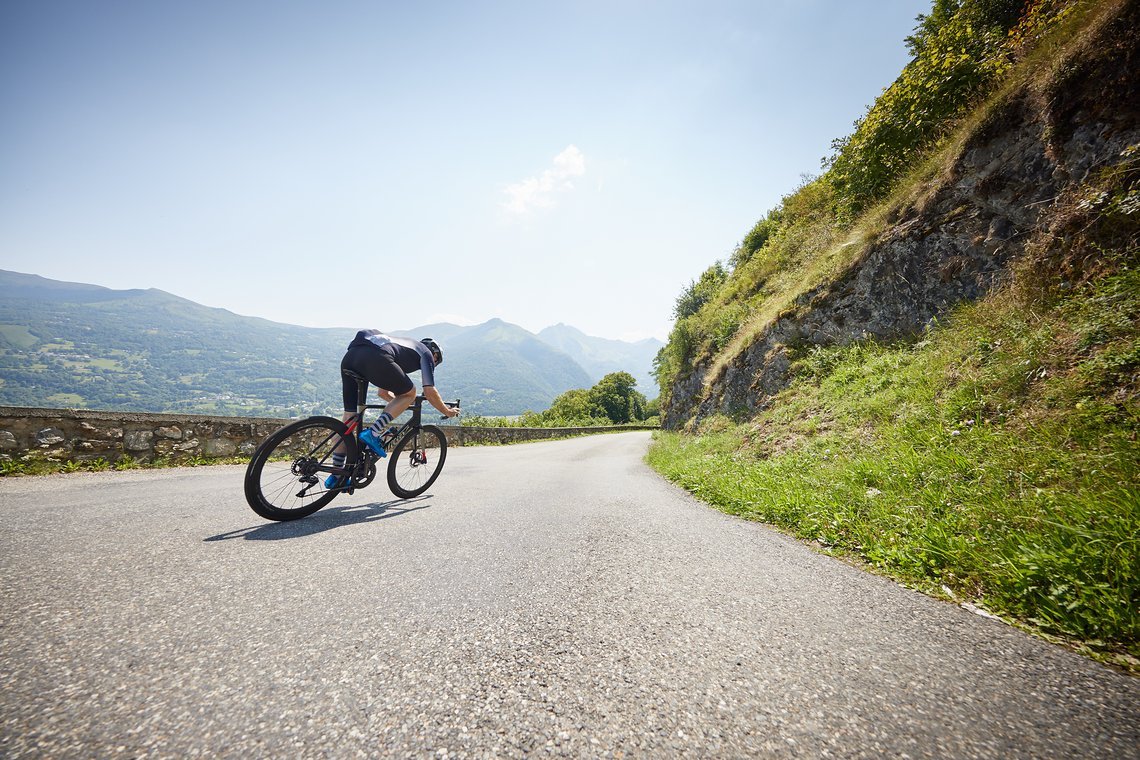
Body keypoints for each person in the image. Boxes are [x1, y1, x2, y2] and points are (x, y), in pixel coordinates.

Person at [326, 330, 458, 488]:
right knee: (411, 392)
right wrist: (448, 411)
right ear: (435, 354)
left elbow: (382, 393)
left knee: (349, 419)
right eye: (437, 361)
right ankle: (373, 433)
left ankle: (336, 476)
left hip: (351, 357)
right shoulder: (426, 353)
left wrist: (401, 402)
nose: (435, 363)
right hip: (375, 357)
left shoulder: (399, 351)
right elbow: (429, 392)